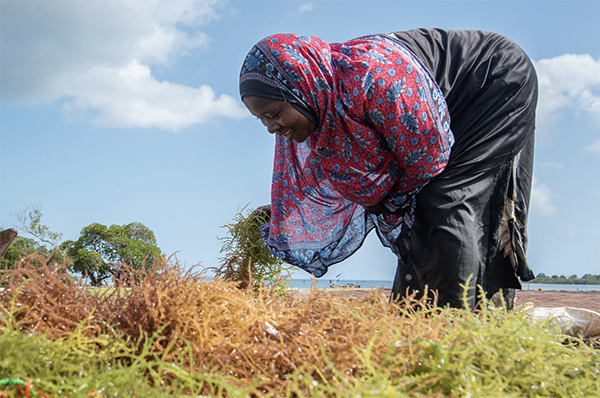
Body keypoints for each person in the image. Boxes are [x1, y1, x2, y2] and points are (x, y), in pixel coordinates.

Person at [239, 29, 537, 309]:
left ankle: (457, 328)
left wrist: (388, 200)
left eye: (275, 113)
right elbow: (340, 189)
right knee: (420, 210)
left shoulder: (372, 77)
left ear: (299, 86)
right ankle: (413, 318)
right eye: (262, 119)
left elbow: (426, 161)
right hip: (432, 114)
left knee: (444, 198)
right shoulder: (321, 112)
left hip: (491, 82)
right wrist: (282, 216)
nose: (271, 127)